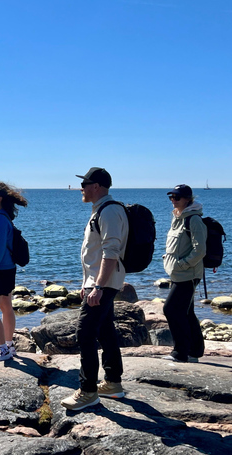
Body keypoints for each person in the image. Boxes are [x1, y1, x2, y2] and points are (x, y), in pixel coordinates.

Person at [61, 167, 128, 411]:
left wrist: (98, 286)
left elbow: (111, 251)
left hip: (105, 282)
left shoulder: (109, 211)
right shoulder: (102, 210)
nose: (82, 188)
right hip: (101, 282)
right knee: (105, 330)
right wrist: (87, 283)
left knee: (85, 333)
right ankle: (113, 383)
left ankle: (88, 391)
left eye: (85, 183)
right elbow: (95, 253)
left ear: (97, 186)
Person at [0, 180, 28, 362]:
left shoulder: (0, 218)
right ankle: (9, 345)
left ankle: (2, 349)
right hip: (6, 269)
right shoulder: (0, 216)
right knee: (6, 307)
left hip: (0, 271)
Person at [162, 184, 206, 363]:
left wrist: (183, 264)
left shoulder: (193, 219)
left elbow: (200, 250)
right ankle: (195, 351)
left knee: (171, 310)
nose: (173, 200)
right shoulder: (178, 218)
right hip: (178, 274)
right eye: (171, 196)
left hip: (188, 274)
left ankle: (180, 352)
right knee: (186, 312)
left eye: (177, 197)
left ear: (188, 199)